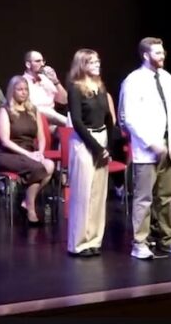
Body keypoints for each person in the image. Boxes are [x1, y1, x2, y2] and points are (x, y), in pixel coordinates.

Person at [121, 37, 171, 259]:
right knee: (144, 198)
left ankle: (168, 239)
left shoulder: (167, 78)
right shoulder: (133, 81)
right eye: (157, 53)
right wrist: (151, 142)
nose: (163, 56)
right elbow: (127, 118)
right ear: (145, 55)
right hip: (148, 149)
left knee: (166, 196)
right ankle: (139, 242)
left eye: (163, 52)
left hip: (169, 147)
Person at [65, 49, 114, 257]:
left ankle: (94, 239)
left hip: (102, 140)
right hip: (85, 142)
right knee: (83, 194)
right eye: (92, 62)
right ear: (82, 65)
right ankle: (78, 243)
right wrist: (97, 148)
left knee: (98, 194)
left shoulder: (100, 87)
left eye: (97, 61)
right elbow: (76, 121)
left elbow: (109, 118)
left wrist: (108, 147)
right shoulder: (75, 88)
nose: (97, 65)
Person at [0, 75, 55, 226]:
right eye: (19, 89)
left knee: (50, 165)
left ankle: (26, 202)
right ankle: (31, 210)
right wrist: (30, 155)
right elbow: (5, 141)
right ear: (12, 91)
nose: (23, 92)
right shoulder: (5, 110)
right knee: (40, 168)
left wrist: (40, 153)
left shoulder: (33, 110)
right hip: (8, 154)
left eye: (25, 89)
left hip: (30, 152)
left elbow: (41, 137)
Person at [22, 50, 69, 128]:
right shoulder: (22, 82)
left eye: (43, 61)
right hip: (35, 121)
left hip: (53, 120)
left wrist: (55, 81)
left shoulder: (46, 79)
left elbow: (64, 101)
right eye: (38, 61)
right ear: (28, 64)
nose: (42, 64)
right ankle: (70, 124)